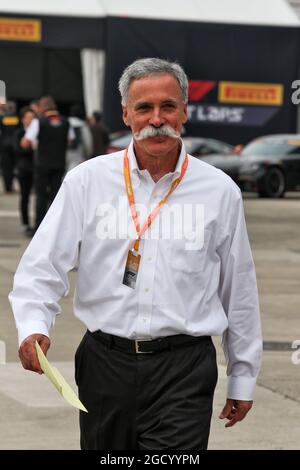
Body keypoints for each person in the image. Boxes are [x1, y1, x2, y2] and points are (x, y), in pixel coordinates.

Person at [9, 58, 262, 450]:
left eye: (168, 106)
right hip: (104, 365)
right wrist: (33, 327)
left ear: (185, 112)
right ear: (127, 114)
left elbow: (238, 290)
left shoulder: (220, 191)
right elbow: (41, 267)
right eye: (144, 108)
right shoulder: (86, 182)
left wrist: (243, 375)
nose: (156, 118)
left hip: (184, 367)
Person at [20, 96, 74, 230]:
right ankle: (55, 227)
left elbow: (25, 142)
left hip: (42, 164)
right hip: (59, 164)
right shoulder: (66, 121)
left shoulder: (38, 122)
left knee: (41, 196)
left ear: (42, 108)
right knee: (56, 196)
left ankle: (39, 227)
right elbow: (71, 140)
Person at [13, 106, 36, 235]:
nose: (31, 121)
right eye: (29, 118)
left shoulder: (38, 130)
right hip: (24, 169)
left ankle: (39, 222)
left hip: (37, 169)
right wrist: (31, 148)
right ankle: (26, 223)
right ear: (23, 120)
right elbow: (17, 150)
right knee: (25, 196)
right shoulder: (19, 133)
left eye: (33, 118)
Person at [0, 101, 20, 192]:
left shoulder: (2, 118)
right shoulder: (17, 118)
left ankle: (7, 187)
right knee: (14, 166)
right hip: (15, 145)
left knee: (6, 167)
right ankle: (11, 184)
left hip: (4, 145)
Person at [66, 104, 92, 171]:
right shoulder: (82, 125)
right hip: (78, 154)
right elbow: (88, 142)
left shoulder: (64, 122)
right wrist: (88, 154)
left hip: (64, 153)